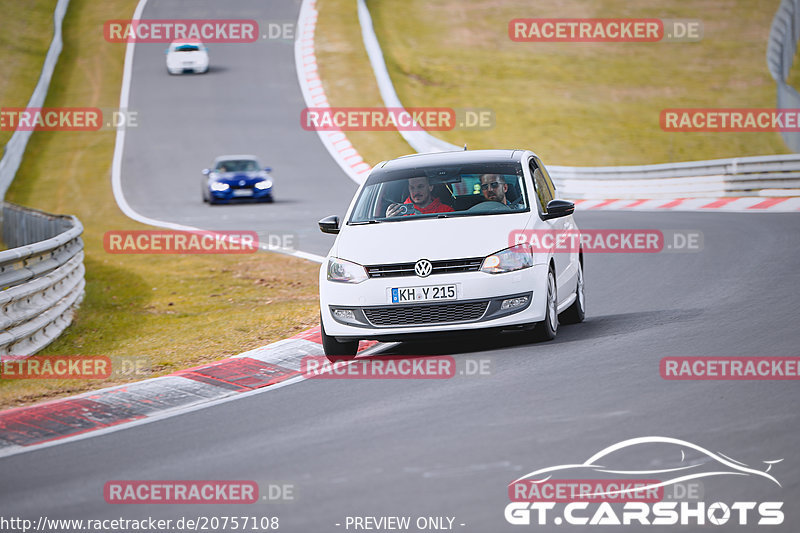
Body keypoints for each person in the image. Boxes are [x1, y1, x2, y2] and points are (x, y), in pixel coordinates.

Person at [386, 176, 454, 216]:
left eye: (420, 187)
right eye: (412, 188)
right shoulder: (399, 212)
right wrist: (389, 223)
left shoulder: (446, 211)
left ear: (430, 187)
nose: (416, 192)